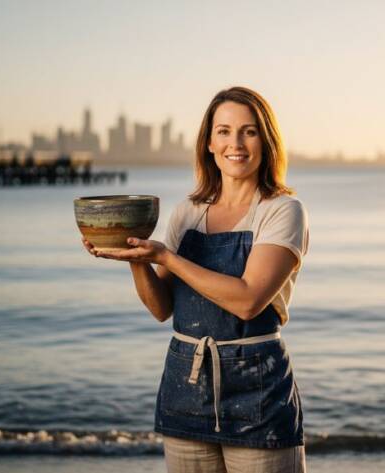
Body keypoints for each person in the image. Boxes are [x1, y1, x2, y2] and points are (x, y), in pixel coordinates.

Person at [83, 86, 309, 472]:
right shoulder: (187, 212)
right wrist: (135, 256)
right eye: (223, 131)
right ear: (208, 142)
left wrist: (165, 255)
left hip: (257, 392)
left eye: (249, 131)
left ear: (266, 141)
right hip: (185, 388)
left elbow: (248, 299)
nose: (234, 143)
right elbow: (161, 308)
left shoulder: (283, 211)